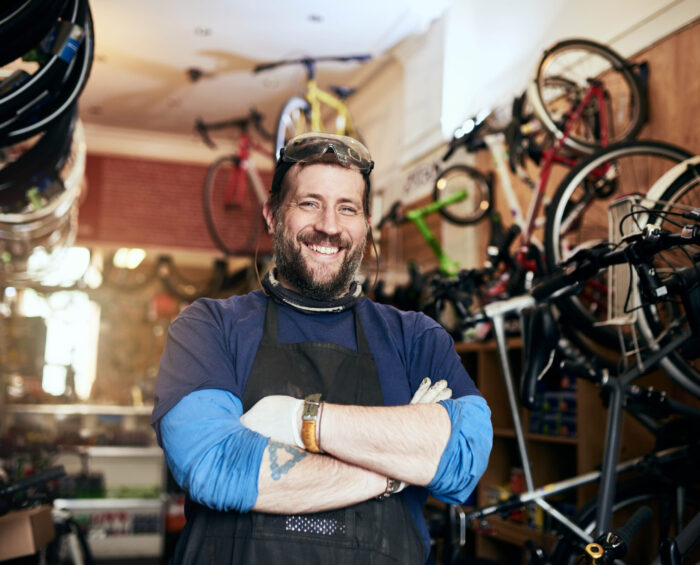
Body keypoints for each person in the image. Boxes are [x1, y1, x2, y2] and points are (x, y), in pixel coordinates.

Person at [152, 132, 492, 564]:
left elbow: (463, 459)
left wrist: (301, 421)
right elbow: (216, 467)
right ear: (273, 216)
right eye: (310, 203)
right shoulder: (209, 328)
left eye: (347, 208)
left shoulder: (415, 339)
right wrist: (396, 471)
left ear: (366, 223)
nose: (330, 226)